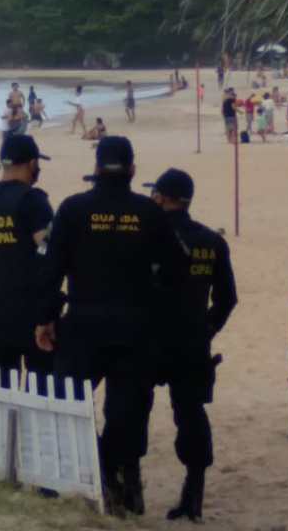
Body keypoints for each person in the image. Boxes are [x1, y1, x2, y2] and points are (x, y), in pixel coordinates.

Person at [36, 136, 185, 516]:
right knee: (127, 410)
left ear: (97, 169)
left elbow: (51, 270)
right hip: (134, 326)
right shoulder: (148, 213)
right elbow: (177, 269)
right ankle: (121, 477)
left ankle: (83, 476)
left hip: (83, 323)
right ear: (133, 170)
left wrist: (46, 318)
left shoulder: (73, 209)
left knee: (67, 405)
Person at [146, 169, 238, 522]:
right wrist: (207, 329)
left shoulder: (149, 236)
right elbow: (227, 298)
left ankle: (130, 491)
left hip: (151, 340)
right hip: (191, 341)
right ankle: (194, 492)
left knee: (134, 409)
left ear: (160, 197)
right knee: (191, 415)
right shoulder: (211, 242)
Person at [0, 135, 55, 386]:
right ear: (31, 164)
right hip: (31, 315)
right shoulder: (32, 200)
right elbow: (50, 250)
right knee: (41, 390)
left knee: (2, 390)